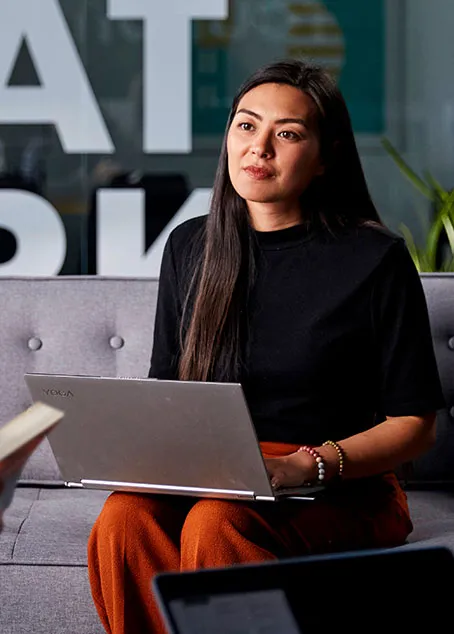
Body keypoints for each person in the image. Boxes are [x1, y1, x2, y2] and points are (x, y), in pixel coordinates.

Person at [87, 59, 445, 634]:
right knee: (124, 517)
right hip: (216, 470)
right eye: (246, 126)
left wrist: (305, 466)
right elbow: (169, 390)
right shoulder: (190, 246)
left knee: (216, 523)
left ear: (325, 157)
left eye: (288, 134)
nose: (260, 148)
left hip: (339, 483)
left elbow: (416, 424)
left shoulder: (374, 259)